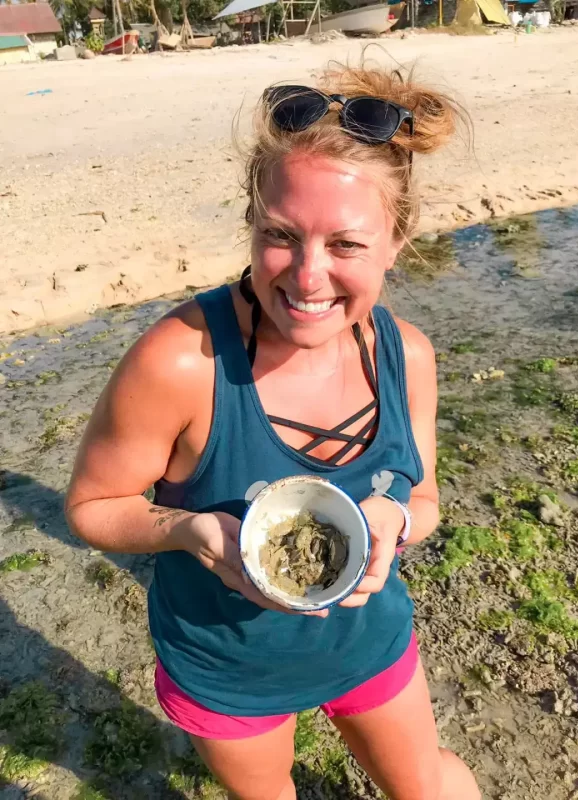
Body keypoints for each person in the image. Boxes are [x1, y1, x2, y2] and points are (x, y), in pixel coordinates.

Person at [65, 64, 480, 800]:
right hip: (226, 667)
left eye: (347, 245)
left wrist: (396, 523)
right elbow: (94, 507)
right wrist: (190, 531)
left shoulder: (407, 355)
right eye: (280, 236)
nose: (308, 278)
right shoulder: (180, 361)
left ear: (398, 239)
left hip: (368, 640)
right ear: (251, 224)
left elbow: (427, 501)